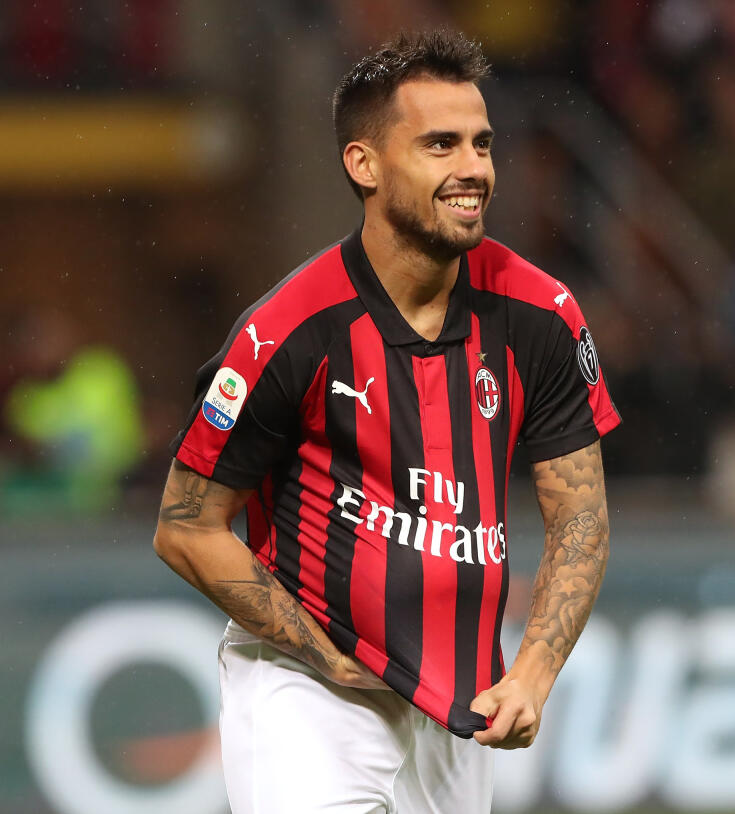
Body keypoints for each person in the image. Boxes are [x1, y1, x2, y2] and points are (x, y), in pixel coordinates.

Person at [153, 30, 619, 813]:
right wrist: (322, 657)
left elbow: (580, 517)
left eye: (481, 144)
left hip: (456, 703)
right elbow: (185, 525)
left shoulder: (542, 315)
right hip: (307, 693)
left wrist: (533, 673)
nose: (473, 168)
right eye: (441, 145)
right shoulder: (290, 333)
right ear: (363, 165)